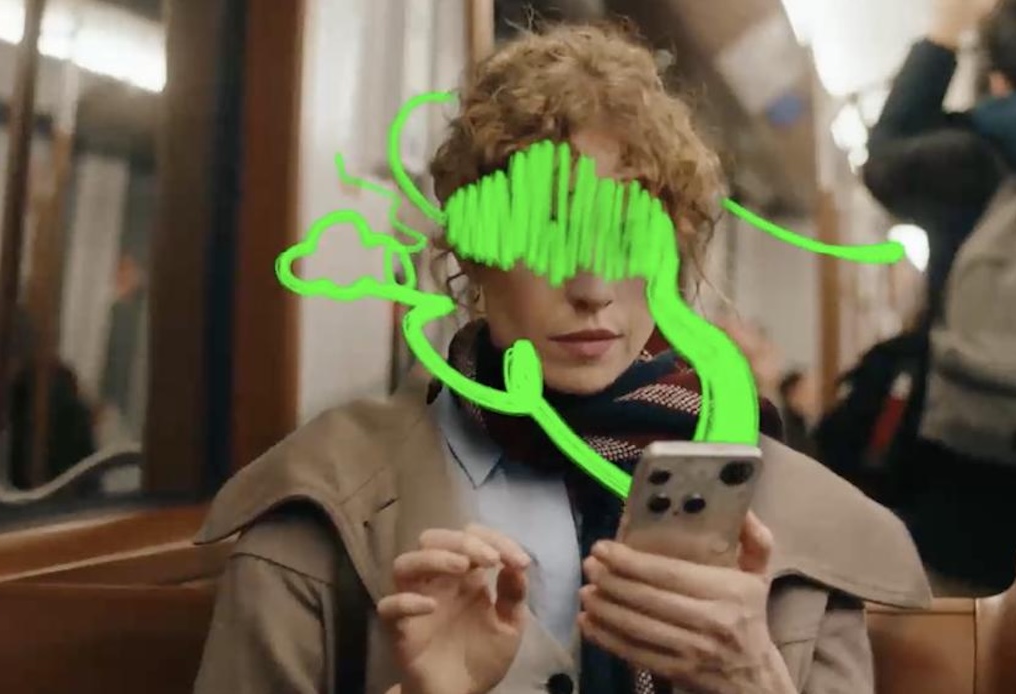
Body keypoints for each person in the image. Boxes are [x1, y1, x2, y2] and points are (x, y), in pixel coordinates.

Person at [193, 23, 930, 694]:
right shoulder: (324, 504)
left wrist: (750, 678)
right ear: (473, 257)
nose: (591, 288)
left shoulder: (799, 517)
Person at [861, 0, 1016, 593]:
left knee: (963, 622)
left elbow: (885, 155)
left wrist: (942, 36)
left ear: (998, 77)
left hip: (966, 462)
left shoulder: (971, 158)